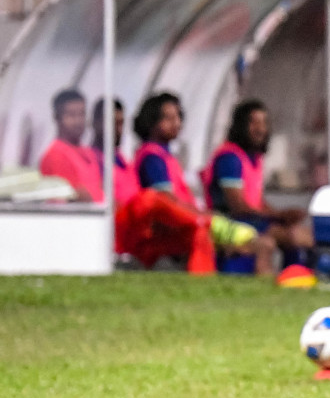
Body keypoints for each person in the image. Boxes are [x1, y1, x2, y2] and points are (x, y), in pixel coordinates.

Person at [122, 93, 252, 274]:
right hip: (171, 229)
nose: (177, 123)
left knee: (250, 242)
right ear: (151, 121)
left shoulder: (166, 156)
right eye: (169, 118)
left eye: (178, 117)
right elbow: (167, 205)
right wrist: (205, 218)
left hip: (188, 221)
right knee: (253, 243)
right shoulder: (152, 158)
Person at [202, 99, 313, 276]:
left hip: (250, 219)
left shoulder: (254, 158)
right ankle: (289, 278)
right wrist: (279, 216)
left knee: (300, 234)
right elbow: (237, 207)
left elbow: (257, 201)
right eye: (254, 122)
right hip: (230, 221)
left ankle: (296, 276)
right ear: (241, 126)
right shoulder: (230, 158)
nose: (260, 128)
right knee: (293, 236)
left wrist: (283, 217)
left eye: (264, 122)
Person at [37, 89, 103, 202]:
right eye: (71, 115)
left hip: (97, 217)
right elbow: (68, 198)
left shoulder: (89, 153)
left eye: (82, 114)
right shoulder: (55, 155)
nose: (78, 121)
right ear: (57, 118)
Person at [91, 98, 137, 208]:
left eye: (121, 123)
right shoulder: (92, 161)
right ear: (96, 123)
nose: (118, 129)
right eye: (113, 123)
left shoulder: (123, 160)